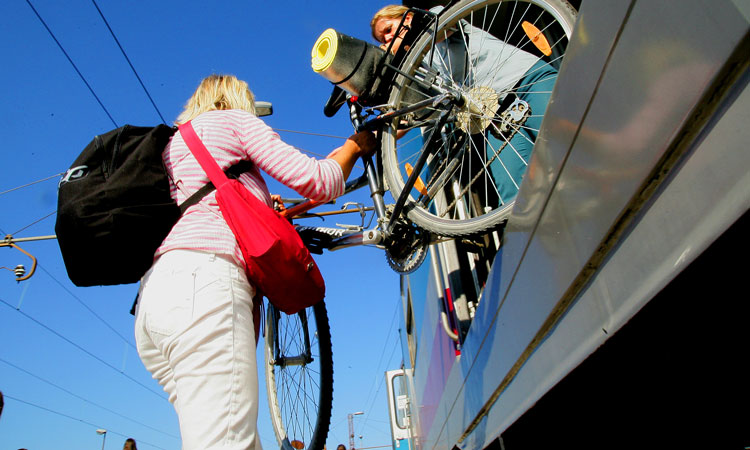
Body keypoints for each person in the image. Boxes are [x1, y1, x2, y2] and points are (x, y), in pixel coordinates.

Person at [134, 74, 376, 450]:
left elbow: (209, 203)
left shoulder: (171, 144)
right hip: (205, 289)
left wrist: (264, 204)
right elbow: (319, 180)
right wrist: (353, 147)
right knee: (226, 443)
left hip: (155, 303)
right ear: (235, 100)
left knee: (230, 439)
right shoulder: (232, 120)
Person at [371, 4, 559, 203]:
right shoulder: (422, 67)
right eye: (384, 40)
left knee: (569, 141)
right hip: (494, 117)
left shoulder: (434, 17)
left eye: (389, 30)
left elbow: (440, 29)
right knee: (515, 195)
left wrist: (402, 46)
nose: (388, 40)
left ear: (406, 19)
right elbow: (421, 110)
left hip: (523, 80)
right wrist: (375, 137)